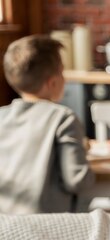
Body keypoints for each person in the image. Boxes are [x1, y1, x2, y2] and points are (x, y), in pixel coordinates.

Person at [0, 34, 94, 214]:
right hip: (47, 228)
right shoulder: (63, 117)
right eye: (62, 72)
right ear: (53, 82)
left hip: (4, 229)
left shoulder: (1, 116)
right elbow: (77, 179)